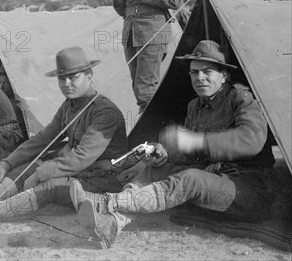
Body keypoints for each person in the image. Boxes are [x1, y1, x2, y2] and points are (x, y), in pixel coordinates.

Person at [71, 40, 278, 249]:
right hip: (213, 181)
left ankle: (106, 203)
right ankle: (113, 222)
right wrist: (165, 153)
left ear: (223, 75)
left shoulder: (241, 98)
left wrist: (195, 140)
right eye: (194, 73)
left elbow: (252, 140)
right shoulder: (195, 106)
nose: (200, 78)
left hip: (249, 190)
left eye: (207, 72)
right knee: (156, 168)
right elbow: (191, 157)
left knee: (191, 179)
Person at [0, 47, 128, 224]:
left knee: (50, 184)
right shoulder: (70, 106)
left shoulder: (104, 112)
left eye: (73, 77)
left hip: (104, 179)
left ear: (89, 76)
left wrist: (42, 173)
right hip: (82, 172)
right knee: (28, 166)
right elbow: (43, 138)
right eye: (62, 79)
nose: (67, 84)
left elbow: (82, 157)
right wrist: (9, 162)